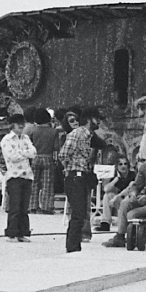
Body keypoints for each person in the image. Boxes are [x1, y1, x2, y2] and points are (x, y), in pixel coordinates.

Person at [58, 106, 104, 253]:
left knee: (81, 213)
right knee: (78, 213)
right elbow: (63, 154)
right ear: (90, 119)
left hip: (82, 175)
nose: (99, 123)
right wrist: (70, 169)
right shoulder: (77, 134)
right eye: (97, 119)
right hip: (74, 177)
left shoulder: (88, 136)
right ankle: (72, 247)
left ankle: (75, 245)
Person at [0, 112, 35, 242]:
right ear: (12, 125)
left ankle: (22, 233)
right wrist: (25, 153)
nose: (21, 125)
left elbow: (34, 152)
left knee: (24, 207)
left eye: (22, 123)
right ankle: (11, 233)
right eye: (18, 123)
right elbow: (11, 157)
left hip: (27, 175)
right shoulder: (6, 140)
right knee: (14, 207)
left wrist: (21, 153)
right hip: (14, 176)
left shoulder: (26, 138)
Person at [27, 107, 60, 213]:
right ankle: (47, 207)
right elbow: (56, 147)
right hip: (48, 157)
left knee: (33, 182)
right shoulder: (53, 132)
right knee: (47, 184)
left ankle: (32, 206)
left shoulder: (33, 131)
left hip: (35, 158)